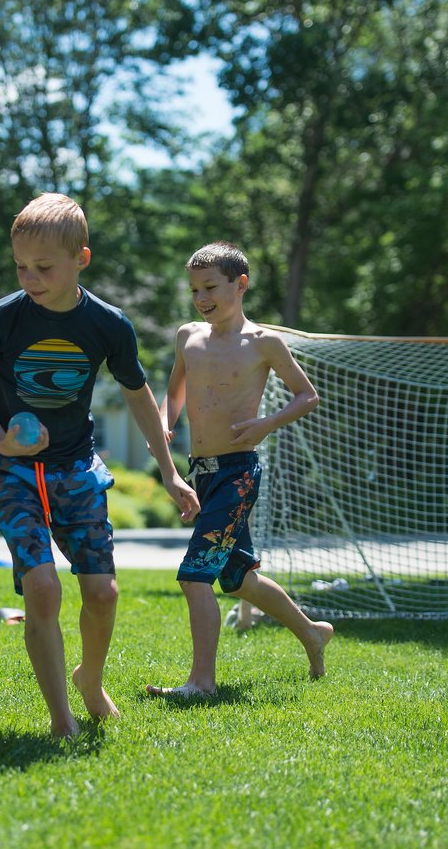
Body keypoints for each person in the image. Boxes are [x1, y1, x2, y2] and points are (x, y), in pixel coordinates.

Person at [0, 193, 200, 737]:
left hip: (76, 469)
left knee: (102, 594)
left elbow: (138, 395)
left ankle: (91, 678)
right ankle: (61, 718)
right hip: (10, 472)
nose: (30, 277)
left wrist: (169, 470)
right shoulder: (1, 320)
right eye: (21, 266)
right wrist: (1, 439)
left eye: (43, 267)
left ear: (80, 259)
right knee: (42, 587)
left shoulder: (108, 325)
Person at [146, 241, 334, 698]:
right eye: (194, 289)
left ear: (240, 284)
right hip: (201, 471)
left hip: (238, 471)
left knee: (195, 575)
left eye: (210, 286)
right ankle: (312, 633)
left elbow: (307, 395)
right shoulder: (187, 335)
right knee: (237, 579)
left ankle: (201, 683)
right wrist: (168, 425)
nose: (201, 297)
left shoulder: (264, 342)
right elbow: (174, 391)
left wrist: (266, 424)